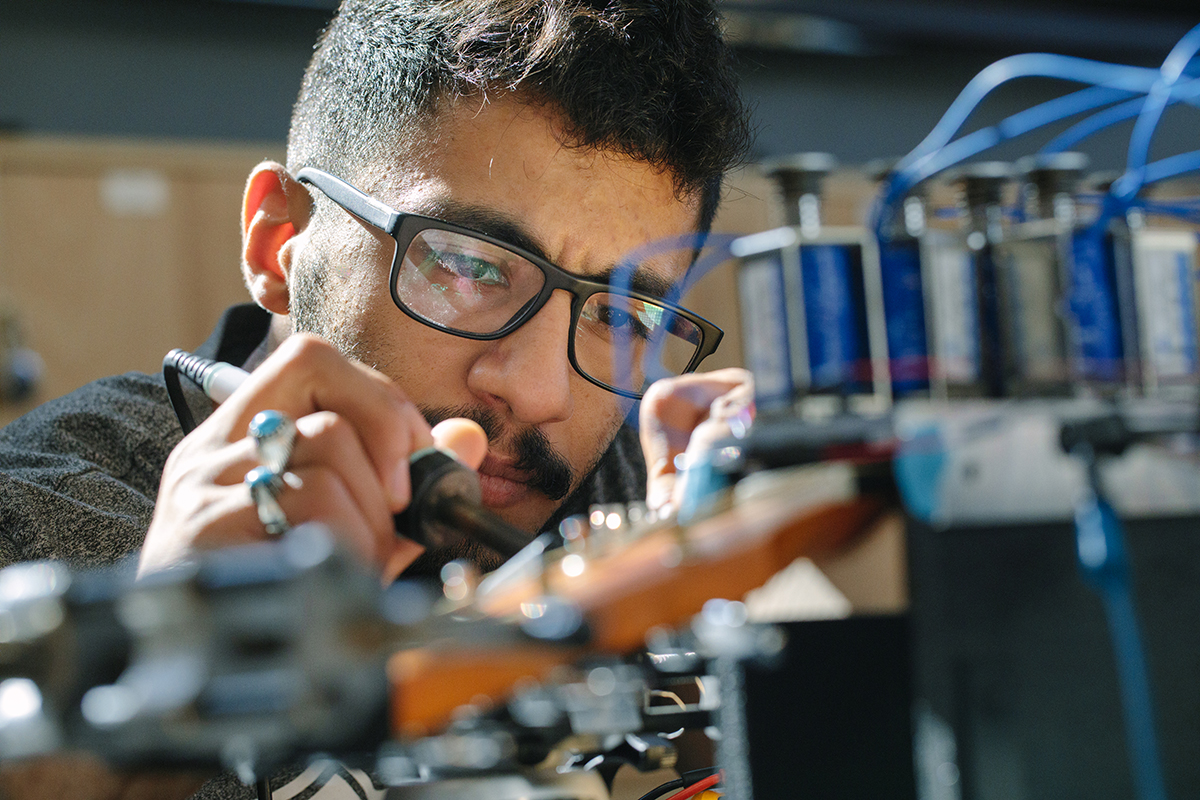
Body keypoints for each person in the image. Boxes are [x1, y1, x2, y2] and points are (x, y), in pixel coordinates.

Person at [0, 0, 752, 796]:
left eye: (620, 314)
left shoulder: (639, 488)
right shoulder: (39, 526)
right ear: (278, 240)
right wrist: (132, 728)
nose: (538, 393)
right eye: (470, 266)